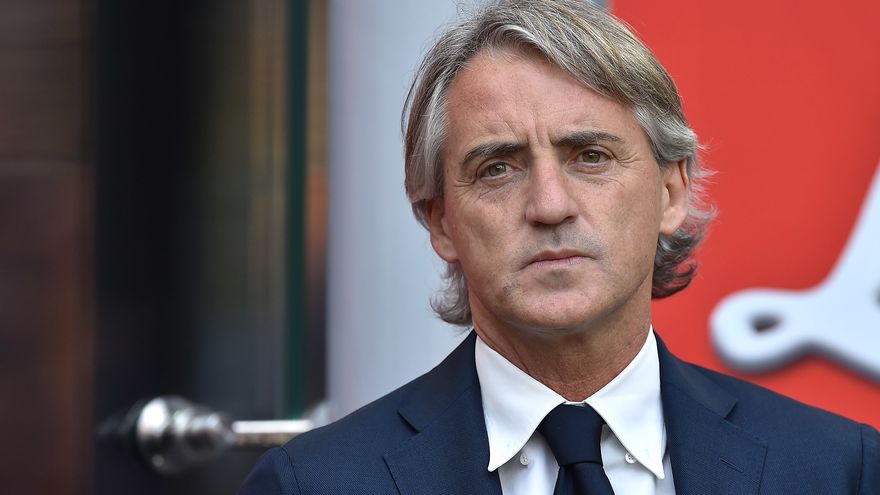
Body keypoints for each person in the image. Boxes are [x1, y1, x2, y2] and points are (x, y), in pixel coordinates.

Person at [240, 1, 879, 493]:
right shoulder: (313, 484)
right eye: (498, 168)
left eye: (590, 157)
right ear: (441, 223)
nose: (549, 205)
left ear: (671, 192)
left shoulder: (836, 470)